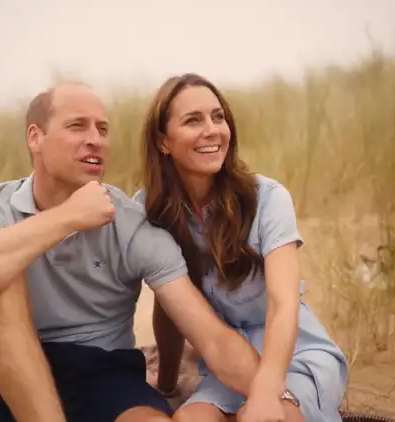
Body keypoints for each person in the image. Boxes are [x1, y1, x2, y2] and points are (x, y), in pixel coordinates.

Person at [0, 82, 280, 422]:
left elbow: (211, 338)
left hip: (105, 376)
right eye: (78, 126)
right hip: (8, 378)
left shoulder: (130, 224)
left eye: (102, 130)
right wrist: (66, 219)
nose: (95, 140)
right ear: (36, 137)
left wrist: (277, 396)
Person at [132, 73, 349, 422]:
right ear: (163, 141)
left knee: (258, 418)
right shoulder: (151, 210)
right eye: (193, 120)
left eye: (218, 117)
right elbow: (169, 304)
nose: (212, 130)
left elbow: (283, 304)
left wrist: (265, 393)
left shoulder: (267, 197)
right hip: (225, 368)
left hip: (294, 356)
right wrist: (168, 382)